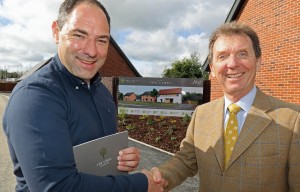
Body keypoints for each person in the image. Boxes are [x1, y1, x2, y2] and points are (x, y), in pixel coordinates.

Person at [2, 0, 165, 191]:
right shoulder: (35, 97)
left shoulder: (102, 93)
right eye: (79, 35)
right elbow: (57, 187)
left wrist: (121, 159)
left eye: (102, 40)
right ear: (56, 32)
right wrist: (141, 185)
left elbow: (98, 157)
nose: (91, 51)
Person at [151, 22, 300, 191]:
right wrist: (159, 177)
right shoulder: (202, 113)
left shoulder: (294, 119)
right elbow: (186, 160)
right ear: (213, 69)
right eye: (222, 56)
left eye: (242, 54)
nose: (232, 64)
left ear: (258, 62)